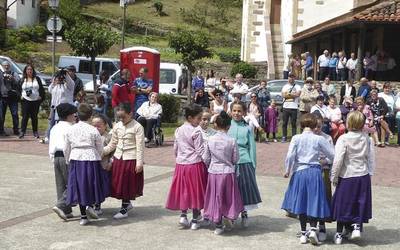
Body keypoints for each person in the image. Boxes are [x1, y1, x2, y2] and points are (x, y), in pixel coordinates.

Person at [281, 113, 334, 245]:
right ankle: (313, 229)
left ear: (302, 125)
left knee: (301, 202)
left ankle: (303, 233)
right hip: (315, 172)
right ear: (313, 125)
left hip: (300, 171)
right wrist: (325, 161)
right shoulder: (319, 139)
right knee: (314, 201)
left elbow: (290, 156)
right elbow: (333, 155)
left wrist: (287, 170)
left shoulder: (296, 138)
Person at [331, 111, 374, 245]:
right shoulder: (368, 138)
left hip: (347, 175)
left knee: (342, 203)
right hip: (362, 174)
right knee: (359, 202)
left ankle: (338, 233)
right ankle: (356, 226)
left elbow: (338, 159)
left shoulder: (343, 138)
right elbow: (371, 158)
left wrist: (334, 176)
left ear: (349, 123)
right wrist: (370, 173)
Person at [64, 103, 108, 225]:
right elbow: (99, 147)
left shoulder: (71, 129)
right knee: (91, 184)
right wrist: (98, 157)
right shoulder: (93, 130)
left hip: (76, 158)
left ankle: (83, 216)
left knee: (79, 186)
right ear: (90, 116)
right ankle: (90, 206)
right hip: (91, 158)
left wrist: (68, 160)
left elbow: (66, 148)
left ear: (77, 115)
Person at [166, 104, 207, 230]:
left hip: (181, 164)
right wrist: (208, 162)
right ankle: (195, 219)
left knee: (184, 190)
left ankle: (183, 216)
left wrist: (179, 158)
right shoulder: (196, 131)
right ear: (190, 117)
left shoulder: (178, 130)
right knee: (195, 191)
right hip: (194, 164)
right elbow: (200, 151)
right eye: (198, 118)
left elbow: (175, 148)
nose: (200, 121)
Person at [202, 111, 244, 235]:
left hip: (214, 172)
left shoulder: (210, 139)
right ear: (228, 126)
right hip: (228, 172)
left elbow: (205, 157)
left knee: (216, 197)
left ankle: (218, 224)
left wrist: (211, 164)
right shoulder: (232, 140)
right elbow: (236, 159)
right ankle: (228, 216)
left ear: (215, 125)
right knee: (228, 197)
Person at [103, 103, 145, 219]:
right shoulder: (117, 126)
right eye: (119, 117)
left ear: (130, 114)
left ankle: (123, 209)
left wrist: (139, 163)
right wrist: (100, 152)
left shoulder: (137, 127)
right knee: (119, 183)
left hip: (131, 159)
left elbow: (140, 146)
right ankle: (127, 204)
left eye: (123, 116)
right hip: (118, 158)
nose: (121, 119)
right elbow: (112, 144)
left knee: (127, 184)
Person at [228, 102, 262, 228]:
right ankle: (230, 214)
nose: (236, 113)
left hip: (244, 161)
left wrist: (253, 164)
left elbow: (251, 147)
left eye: (239, 111)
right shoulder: (227, 126)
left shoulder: (247, 128)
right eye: (234, 111)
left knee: (243, 189)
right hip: (229, 162)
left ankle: (244, 212)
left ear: (244, 112)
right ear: (230, 111)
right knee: (230, 189)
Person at [49, 103, 77, 221]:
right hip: (67, 157)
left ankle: (66, 210)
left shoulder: (55, 127)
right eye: (74, 114)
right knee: (73, 183)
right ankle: (61, 205)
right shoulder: (72, 128)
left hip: (56, 156)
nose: (75, 116)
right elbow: (71, 145)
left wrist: (52, 158)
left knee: (60, 184)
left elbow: (51, 144)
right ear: (69, 116)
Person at [43, 68, 75, 143]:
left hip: (64, 109)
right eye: (58, 78)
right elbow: (50, 90)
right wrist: (55, 78)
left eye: (60, 78)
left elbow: (71, 82)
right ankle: (48, 137)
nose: (59, 79)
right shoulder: (55, 86)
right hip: (54, 107)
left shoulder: (68, 86)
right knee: (51, 123)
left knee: (60, 123)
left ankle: (61, 138)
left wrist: (66, 74)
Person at [92, 114, 113, 215]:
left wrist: (111, 162)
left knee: (100, 186)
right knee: (92, 185)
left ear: (105, 125)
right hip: (92, 165)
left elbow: (114, 152)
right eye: (94, 126)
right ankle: (92, 204)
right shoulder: (90, 136)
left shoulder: (108, 137)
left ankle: (98, 205)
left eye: (99, 125)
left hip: (103, 166)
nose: (96, 128)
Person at [19, 64, 45, 139]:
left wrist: (41, 96)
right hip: (25, 100)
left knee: (34, 117)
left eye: (31, 69)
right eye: (28, 69)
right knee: (25, 117)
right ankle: (22, 132)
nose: (29, 71)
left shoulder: (37, 79)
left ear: (33, 71)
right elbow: (18, 88)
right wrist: (20, 95)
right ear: (25, 71)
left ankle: (35, 132)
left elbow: (41, 89)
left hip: (35, 100)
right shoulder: (23, 79)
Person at [0, 61, 21, 136]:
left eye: (8, 65)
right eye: (5, 65)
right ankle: (1, 131)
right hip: (3, 97)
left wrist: (12, 79)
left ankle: (16, 130)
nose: (6, 67)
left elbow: (19, 83)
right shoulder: (1, 74)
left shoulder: (14, 74)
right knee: (1, 115)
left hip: (13, 98)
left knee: (15, 114)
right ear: (2, 66)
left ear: (10, 66)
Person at [281, 74, 302, 142]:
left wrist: (288, 94)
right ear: (288, 78)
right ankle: (284, 136)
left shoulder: (298, 86)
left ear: (294, 78)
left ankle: (294, 137)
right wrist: (293, 94)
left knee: (293, 123)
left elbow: (298, 94)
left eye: (293, 78)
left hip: (294, 107)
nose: (291, 79)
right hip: (285, 107)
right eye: (290, 77)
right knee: (284, 123)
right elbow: (283, 95)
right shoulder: (285, 86)